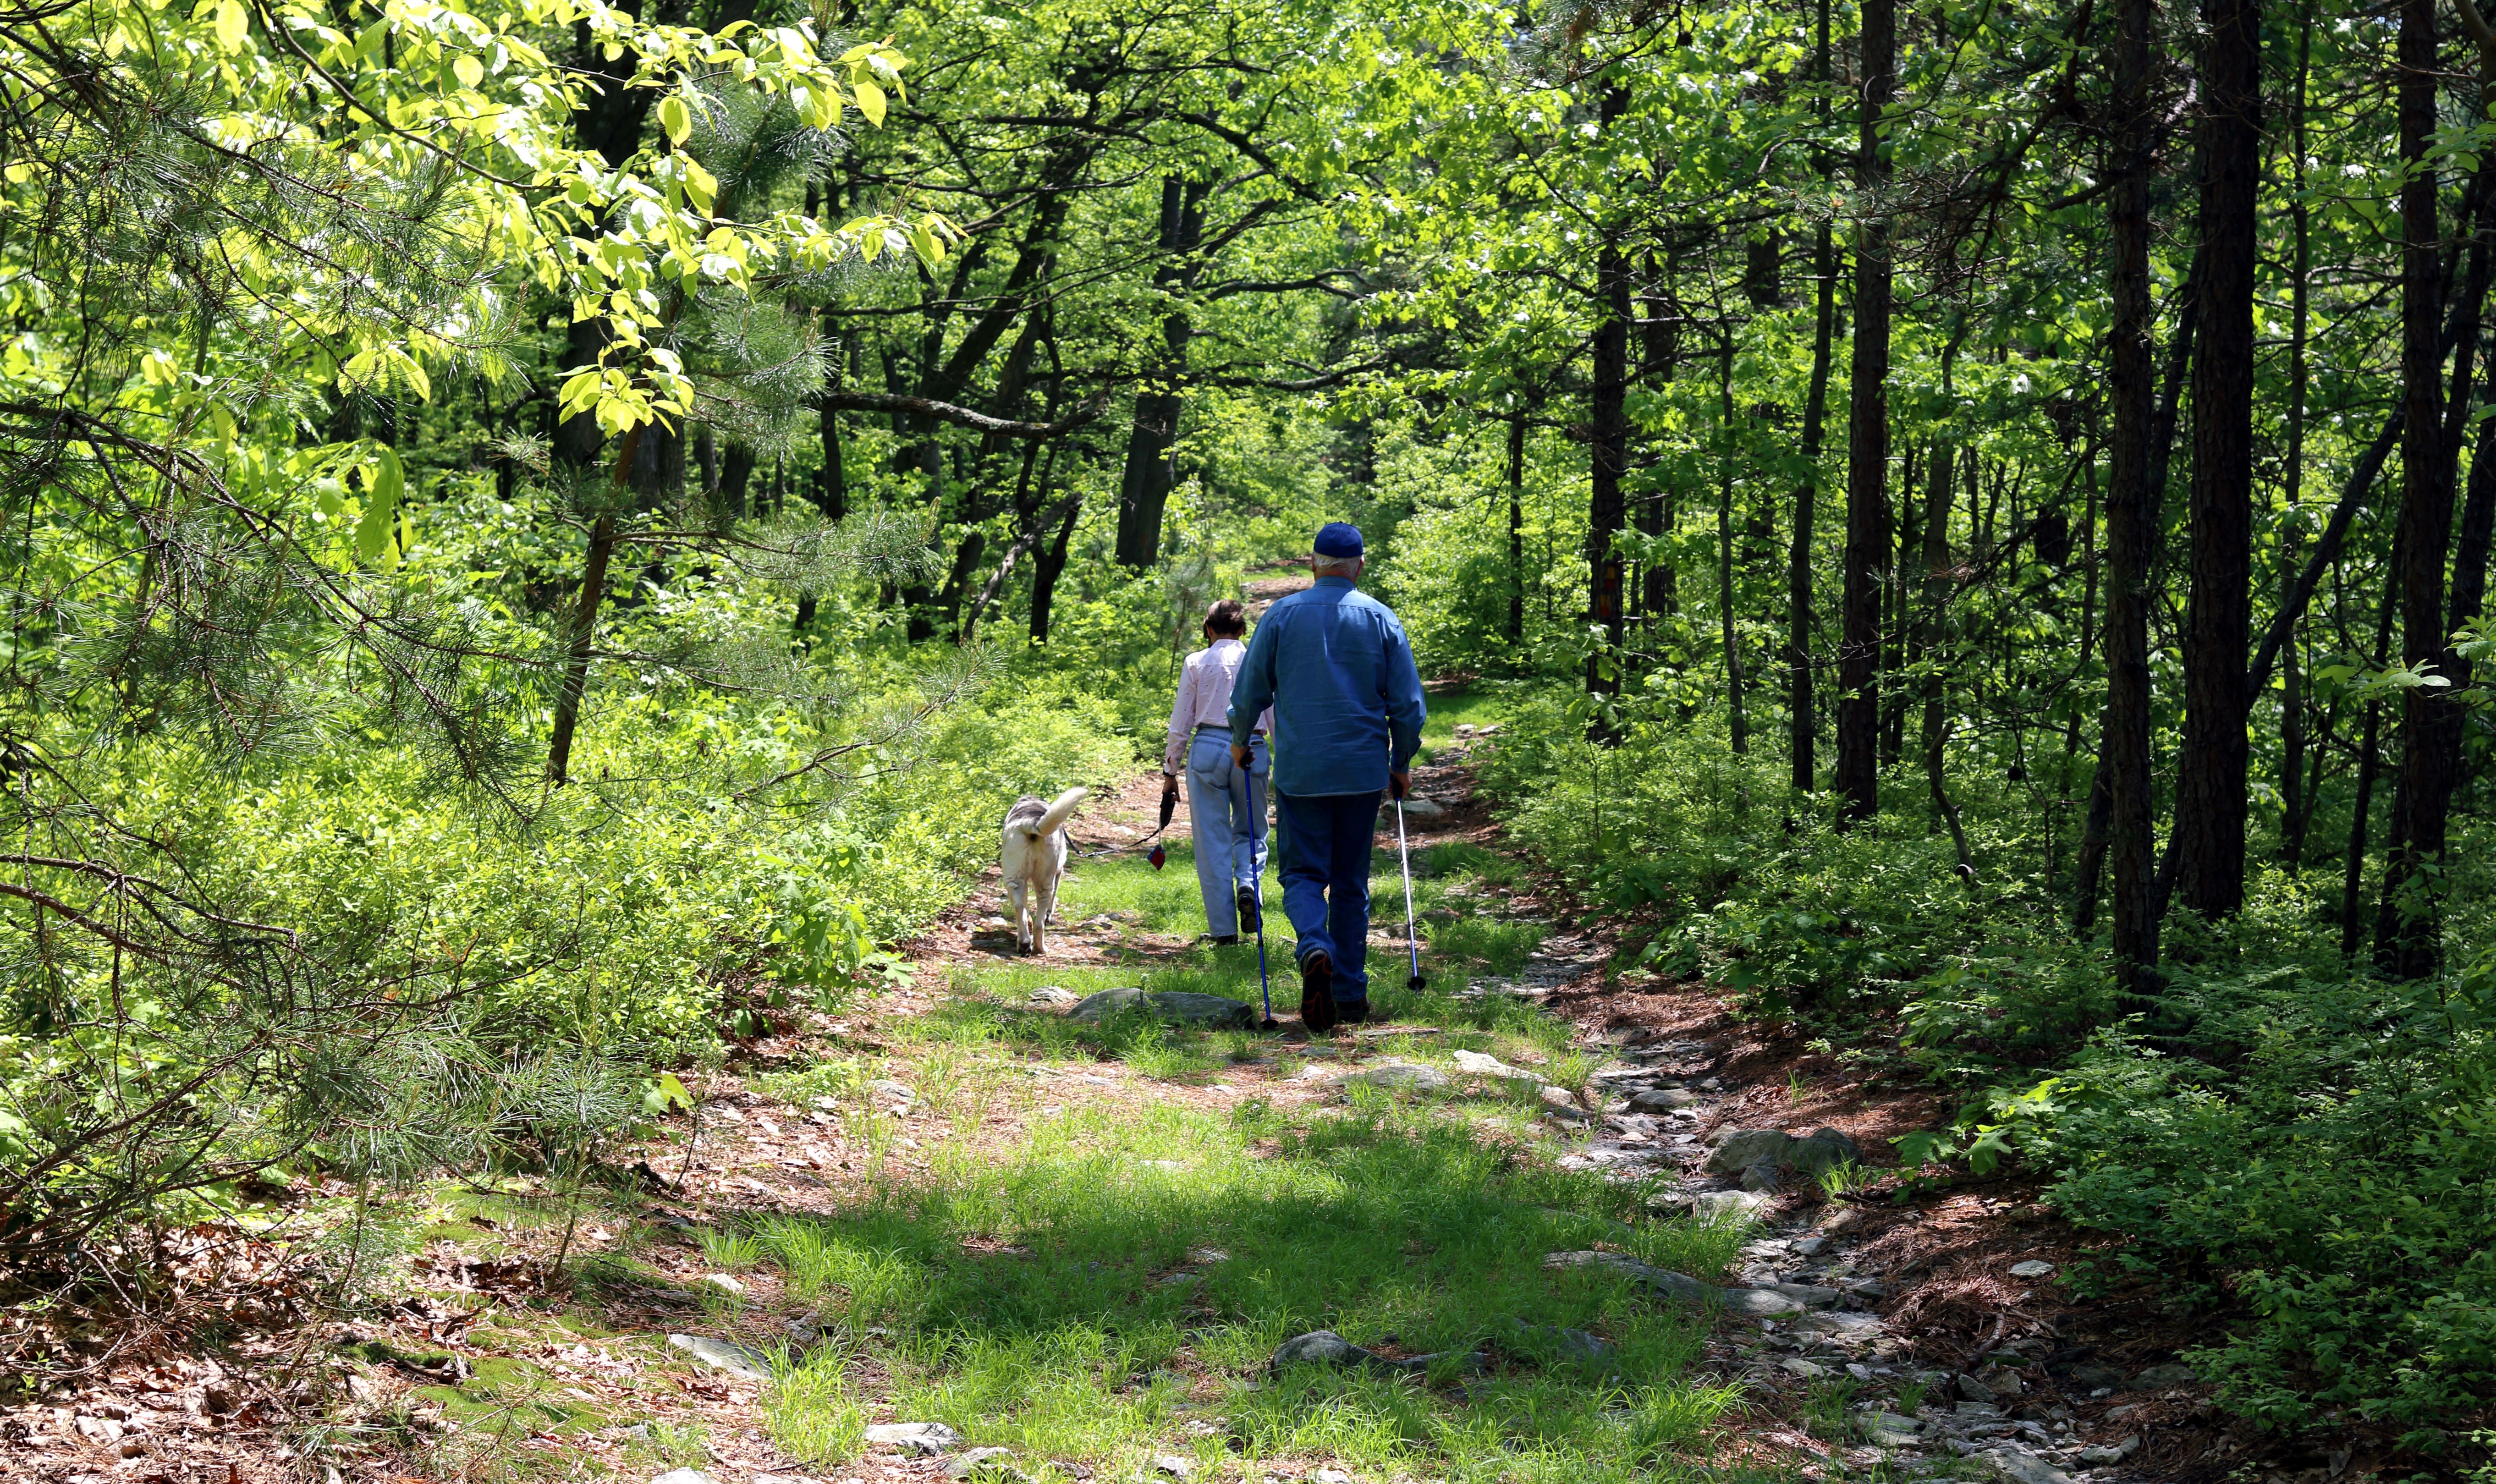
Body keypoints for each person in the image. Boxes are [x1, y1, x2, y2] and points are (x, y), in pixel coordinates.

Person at [1226, 522, 1425, 1030]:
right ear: (1359, 565)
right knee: (1351, 884)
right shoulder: (1381, 618)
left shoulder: (1281, 616)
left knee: (1301, 875)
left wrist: (1239, 738)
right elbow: (1407, 706)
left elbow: (1249, 690)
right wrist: (1400, 764)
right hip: (1361, 772)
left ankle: (1314, 945)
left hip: (1302, 772)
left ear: (1312, 563)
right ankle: (1350, 996)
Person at [1163, 599, 1273, 945]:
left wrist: (1170, 770)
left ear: (1209, 630)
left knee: (1212, 840)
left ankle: (1224, 931)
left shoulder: (1196, 662)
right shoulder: (1259, 660)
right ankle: (1248, 883)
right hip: (1252, 747)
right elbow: (1272, 713)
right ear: (1243, 630)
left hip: (1208, 747)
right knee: (1252, 829)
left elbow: (1181, 721)